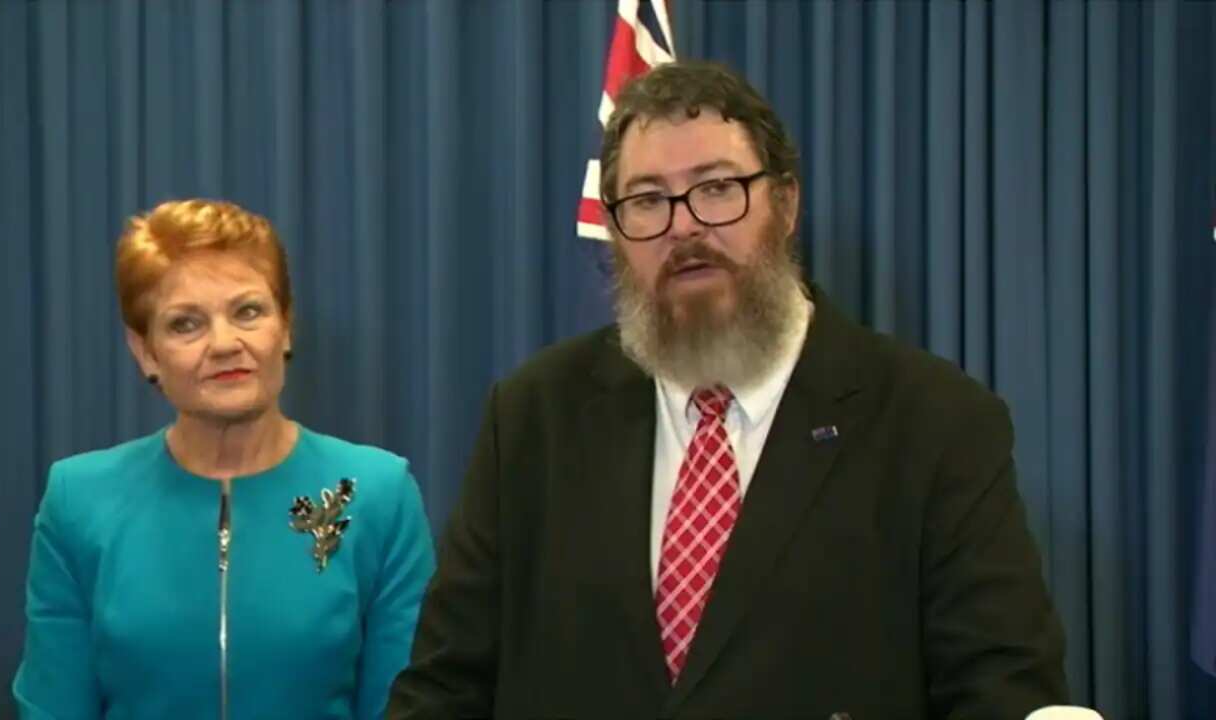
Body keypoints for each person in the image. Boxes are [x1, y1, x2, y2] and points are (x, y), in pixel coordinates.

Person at [387, 61, 1068, 719]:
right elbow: (445, 689)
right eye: (648, 200)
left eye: (716, 188)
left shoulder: (935, 423)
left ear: (786, 203)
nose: (683, 226)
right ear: (617, 232)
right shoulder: (534, 417)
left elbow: (1000, 690)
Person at [15, 199, 435, 719]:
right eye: (186, 324)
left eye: (248, 312)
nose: (224, 343)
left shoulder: (379, 493)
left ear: (286, 328)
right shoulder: (78, 499)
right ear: (145, 350)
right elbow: (53, 707)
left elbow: (407, 706)